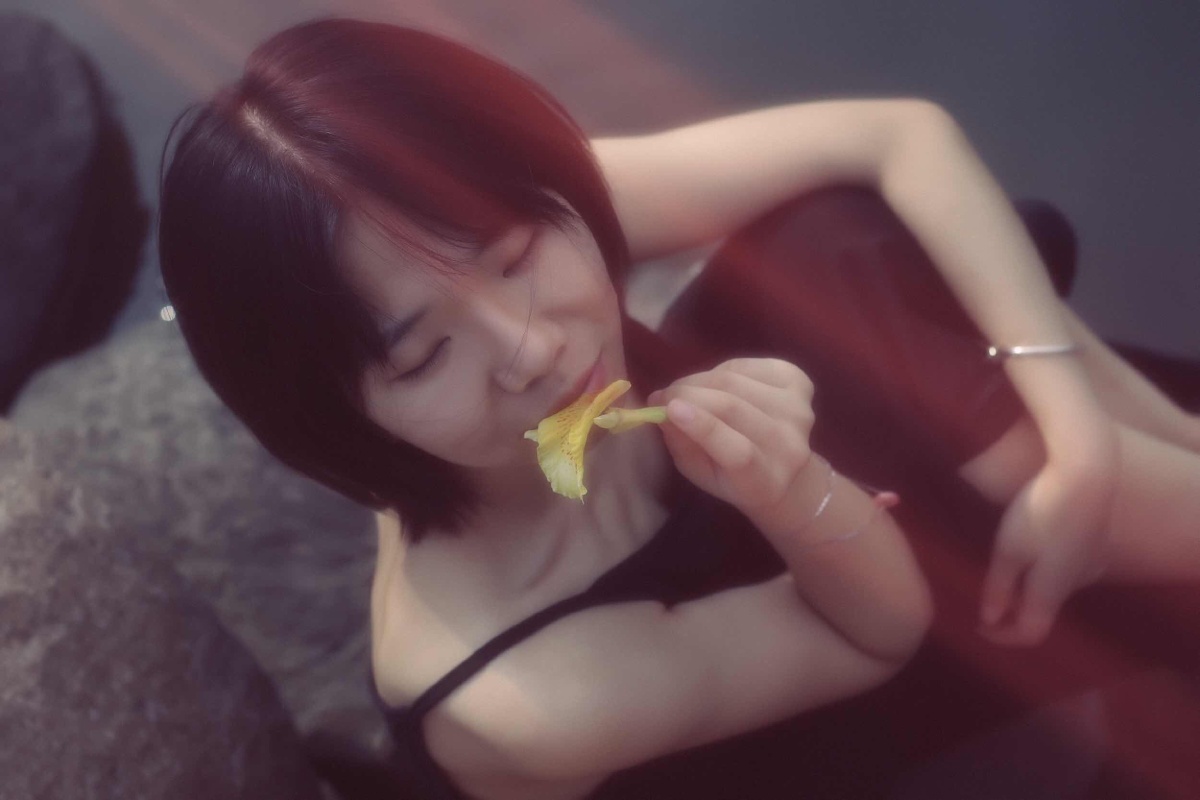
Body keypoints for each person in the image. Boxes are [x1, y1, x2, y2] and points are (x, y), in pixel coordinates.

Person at [157, 17, 1200, 800]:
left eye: (516, 258)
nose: (530, 346)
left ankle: (1121, 460)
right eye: (427, 354)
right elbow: (875, 635)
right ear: (333, 416)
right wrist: (792, 492)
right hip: (782, 703)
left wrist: (1076, 432)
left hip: (781, 499)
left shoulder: (474, 221)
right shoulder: (519, 688)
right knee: (948, 409)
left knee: (836, 243)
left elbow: (896, 137)